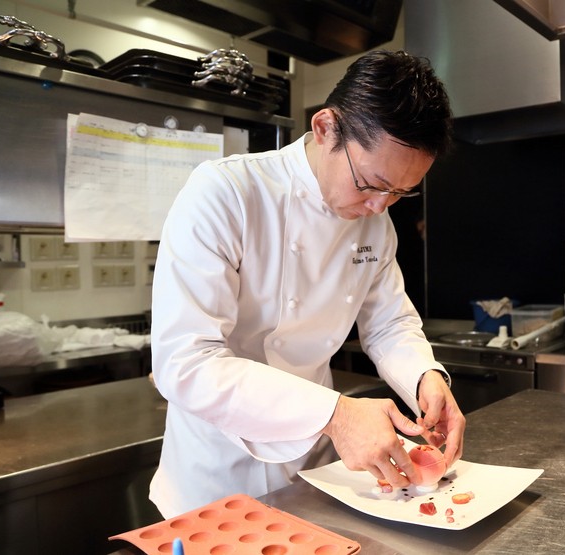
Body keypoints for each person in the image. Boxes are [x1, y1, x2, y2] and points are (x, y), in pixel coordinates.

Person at [149, 49, 466, 518]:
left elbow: (388, 324)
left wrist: (426, 377)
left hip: (312, 466)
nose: (379, 207)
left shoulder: (376, 223)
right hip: (216, 471)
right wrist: (337, 414)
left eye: (400, 192)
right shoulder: (226, 193)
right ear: (325, 128)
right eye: (370, 183)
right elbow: (186, 362)